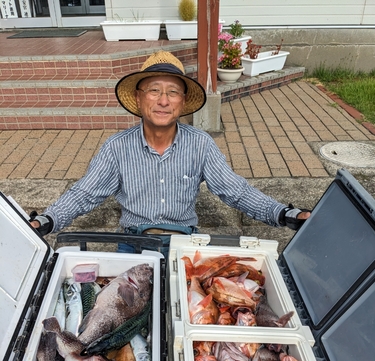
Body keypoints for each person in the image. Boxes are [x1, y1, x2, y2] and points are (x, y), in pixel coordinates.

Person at [29, 50, 310, 254]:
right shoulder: (117, 147)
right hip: (134, 243)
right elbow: (84, 194)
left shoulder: (200, 143)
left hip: (185, 242)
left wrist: (284, 213)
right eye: (153, 90)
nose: (163, 101)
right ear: (139, 98)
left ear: (182, 101)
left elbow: (235, 189)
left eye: (173, 92)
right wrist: (46, 220)